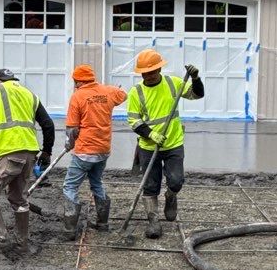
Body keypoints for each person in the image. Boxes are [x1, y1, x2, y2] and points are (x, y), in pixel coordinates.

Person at [0, 68, 55, 256]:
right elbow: (48, 124)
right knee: (19, 199)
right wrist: (46, 152)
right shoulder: (29, 94)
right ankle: (22, 245)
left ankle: (2, 240)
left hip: (7, 151)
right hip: (29, 152)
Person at [126, 49, 204, 238]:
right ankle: (153, 222)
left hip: (173, 143)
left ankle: (171, 196)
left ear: (159, 69)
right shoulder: (136, 92)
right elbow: (133, 121)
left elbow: (197, 95)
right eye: (145, 73)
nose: (149, 76)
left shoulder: (173, 83)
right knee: (150, 185)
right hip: (148, 146)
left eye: (152, 72)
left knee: (176, 181)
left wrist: (195, 78)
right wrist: (151, 134)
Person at [61, 63, 127, 238]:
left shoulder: (78, 96)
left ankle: (69, 230)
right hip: (103, 149)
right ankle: (103, 223)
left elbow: (72, 129)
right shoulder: (108, 91)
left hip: (84, 151)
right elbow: (123, 94)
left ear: (77, 81)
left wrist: (69, 144)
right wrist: (116, 90)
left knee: (70, 186)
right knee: (96, 183)